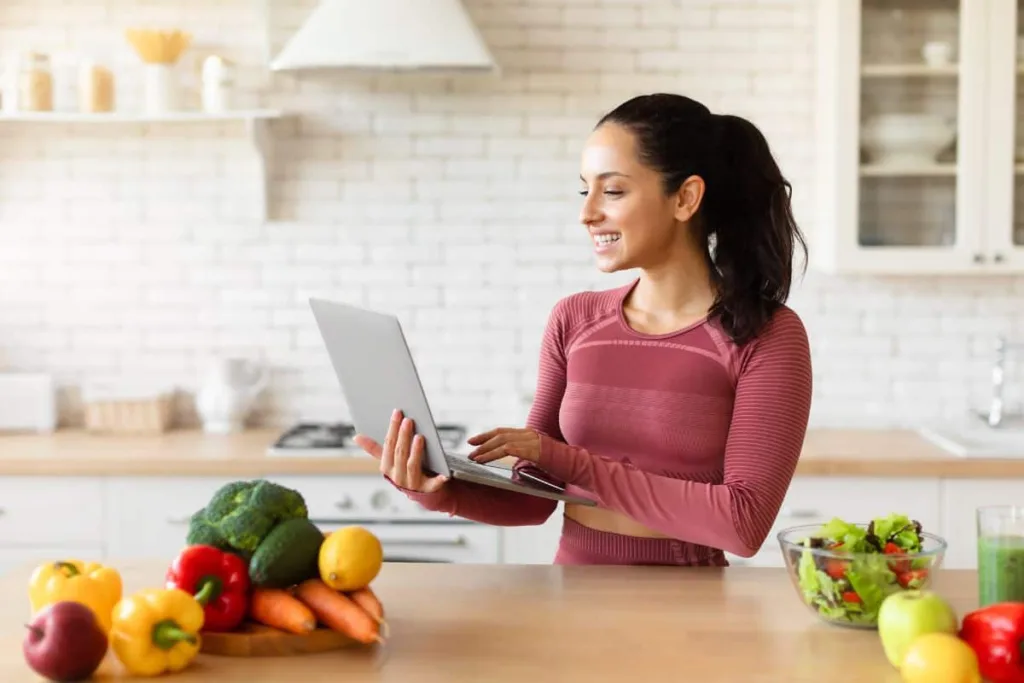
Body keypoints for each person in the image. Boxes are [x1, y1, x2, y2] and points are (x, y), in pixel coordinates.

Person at [353, 92, 814, 566]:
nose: (587, 212)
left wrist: (567, 460)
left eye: (612, 191)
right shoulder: (575, 320)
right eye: (584, 190)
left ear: (685, 198)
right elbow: (533, 498)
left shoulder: (767, 335)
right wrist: (433, 489)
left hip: (686, 610)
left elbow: (742, 523)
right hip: (570, 593)